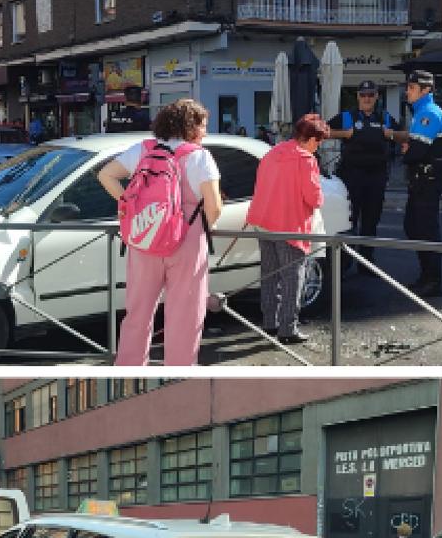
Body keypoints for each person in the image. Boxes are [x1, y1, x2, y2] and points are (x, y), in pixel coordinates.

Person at [98, 98, 222, 365]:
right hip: (186, 238)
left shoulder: (143, 149)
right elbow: (214, 205)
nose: (205, 132)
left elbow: (106, 175)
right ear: (190, 126)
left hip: (145, 234)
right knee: (185, 315)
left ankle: (130, 369)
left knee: (138, 312)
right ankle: (178, 373)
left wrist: (126, 204)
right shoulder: (199, 156)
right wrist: (206, 227)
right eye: (203, 126)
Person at [246, 113, 329, 344]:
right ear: (312, 139)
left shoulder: (272, 153)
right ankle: (288, 329)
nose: (318, 146)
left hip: (262, 221)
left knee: (269, 275)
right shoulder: (305, 160)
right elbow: (314, 198)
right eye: (319, 141)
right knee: (293, 277)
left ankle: (269, 323)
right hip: (289, 225)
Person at [386, 70, 442, 298]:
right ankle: (426, 276)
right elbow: (414, 146)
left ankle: (433, 280)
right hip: (421, 180)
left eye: (412, 88)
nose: (407, 92)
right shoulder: (421, 113)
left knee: (426, 229)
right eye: (408, 87)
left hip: (429, 180)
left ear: (426, 90)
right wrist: (409, 147)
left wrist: (408, 151)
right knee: (413, 226)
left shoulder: (429, 114)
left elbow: (416, 151)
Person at [328, 80, 400, 272]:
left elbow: (403, 136)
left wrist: (391, 133)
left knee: (371, 221)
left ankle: (366, 263)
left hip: (376, 177)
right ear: (358, 96)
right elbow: (323, 132)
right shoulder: (346, 116)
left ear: (377, 96)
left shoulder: (384, 117)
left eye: (371, 95)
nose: (367, 98)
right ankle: (344, 265)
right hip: (352, 176)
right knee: (349, 221)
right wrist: (345, 133)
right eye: (363, 95)